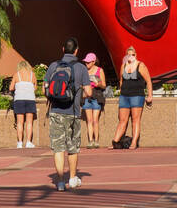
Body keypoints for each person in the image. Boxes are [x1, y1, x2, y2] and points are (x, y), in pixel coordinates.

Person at [45, 38, 92, 191]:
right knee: (72, 147)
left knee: (58, 148)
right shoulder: (81, 68)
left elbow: (45, 90)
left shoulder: (53, 66)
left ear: (63, 49)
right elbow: (89, 91)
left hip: (55, 112)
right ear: (77, 50)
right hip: (73, 113)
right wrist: (79, 97)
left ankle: (59, 182)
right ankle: (72, 178)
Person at [112, 47, 152, 149]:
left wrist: (149, 96)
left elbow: (148, 81)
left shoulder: (141, 65)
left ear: (136, 55)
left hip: (137, 95)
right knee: (122, 120)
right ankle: (115, 141)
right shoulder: (123, 65)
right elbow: (121, 80)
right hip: (125, 96)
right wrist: (121, 91)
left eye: (133, 55)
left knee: (135, 119)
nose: (131, 57)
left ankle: (134, 142)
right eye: (129, 55)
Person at [9, 61, 37, 148]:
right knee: (29, 122)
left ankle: (20, 143)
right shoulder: (32, 75)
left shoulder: (17, 74)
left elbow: (11, 88)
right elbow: (35, 88)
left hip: (19, 99)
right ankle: (28, 142)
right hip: (30, 99)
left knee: (19, 122)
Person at [82, 52, 105, 148]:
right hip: (87, 96)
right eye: (85, 62)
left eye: (88, 62)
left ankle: (96, 141)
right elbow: (80, 84)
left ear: (93, 61)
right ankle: (90, 141)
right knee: (89, 120)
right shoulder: (84, 71)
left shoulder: (99, 70)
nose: (86, 64)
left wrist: (97, 84)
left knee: (95, 120)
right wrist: (83, 87)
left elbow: (104, 85)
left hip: (96, 96)